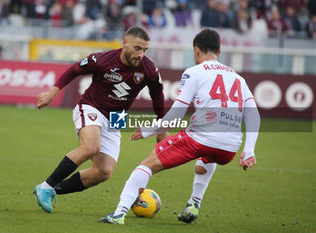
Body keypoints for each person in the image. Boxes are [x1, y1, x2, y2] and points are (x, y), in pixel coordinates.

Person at [99, 28, 260, 224]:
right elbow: (253, 115)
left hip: (201, 138)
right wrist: (249, 150)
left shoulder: (194, 72)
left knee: (146, 165)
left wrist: (149, 130)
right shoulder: (238, 78)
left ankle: (119, 214)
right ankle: (194, 203)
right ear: (219, 53)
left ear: (196, 51)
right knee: (208, 158)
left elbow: (176, 114)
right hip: (230, 148)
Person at [33, 26, 168, 213]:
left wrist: (162, 127)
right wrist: (51, 93)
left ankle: (52, 190)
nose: (141, 54)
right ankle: (46, 187)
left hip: (116, 118)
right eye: (137, 48)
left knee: (103, 172)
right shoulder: (102, 60)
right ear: (125, 43)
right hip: (91, 107)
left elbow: (158, 97)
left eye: (145, 50)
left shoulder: (149, 69)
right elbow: (74, 70)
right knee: (90, 147)